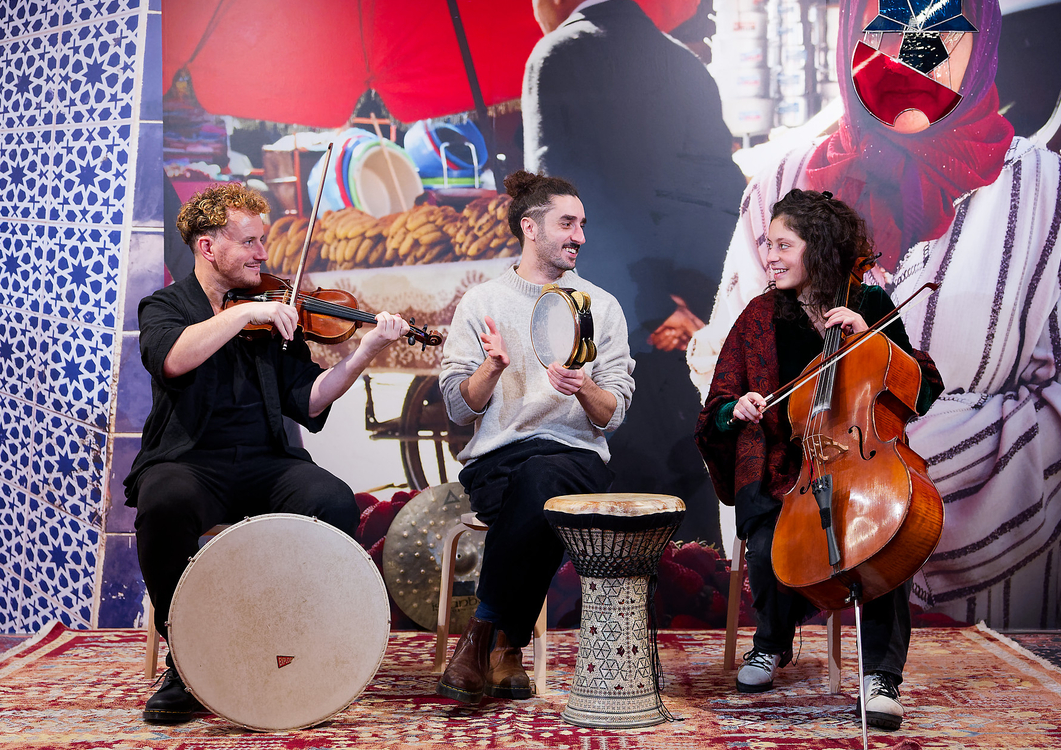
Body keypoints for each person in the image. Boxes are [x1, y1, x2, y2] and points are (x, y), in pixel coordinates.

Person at [687, 0, 1061, 628]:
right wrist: (820, 502)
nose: (916, 54)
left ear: (985, 42)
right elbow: (732, 381)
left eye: (946, 27)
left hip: (990, 600)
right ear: (848, 38)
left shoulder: (1048, 192)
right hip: (812, 559)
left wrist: (904, 487)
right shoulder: (779, 182)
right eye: (886, 27)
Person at [124, 183, 408, 723]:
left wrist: (365, 351)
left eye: (264, 241)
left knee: (332, 501)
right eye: (250, 242)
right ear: (209, 248)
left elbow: (308, 398)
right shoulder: (165, 306)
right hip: (189, 461)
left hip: (267, 461)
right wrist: (240, 315)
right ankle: (185, 657)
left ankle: (302, 640)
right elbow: (171, 361)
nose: (263, 253)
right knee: (163, 502)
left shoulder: (276, 309)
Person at [695, 189, 944, 729]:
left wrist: (876, 344)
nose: (771, 256)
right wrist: (735, 410)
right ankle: (773, 643)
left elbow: (923, 387)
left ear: (820, 247)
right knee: (765, 542)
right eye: (767, 245)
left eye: (784, 244)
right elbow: (714, 408)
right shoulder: (758, 317)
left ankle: (881, 677)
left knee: (884, 541)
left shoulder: (870, 307)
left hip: (860, 461)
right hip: (787, 467)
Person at [523, 0, 747, 546]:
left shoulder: (557, 55)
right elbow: (723, 195)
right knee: (694, 513)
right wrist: (698, 303)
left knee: (622, 521)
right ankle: (697, 626)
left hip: (622, 321)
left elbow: (561, 210)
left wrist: (650, 305)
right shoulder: (686, 65)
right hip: (697, 323)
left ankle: (630, 628)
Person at [436, 170, 635, 704]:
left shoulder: (601, 306)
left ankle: (480, 634)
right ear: (530, 227)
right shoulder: (481, 303)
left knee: (545, 479)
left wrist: (584, 387)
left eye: (583, 225)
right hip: (496, 464)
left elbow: (612, 415)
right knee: (538, 494)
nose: (580, 237)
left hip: (575, 457)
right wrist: (492, 367)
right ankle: (507, 648)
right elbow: (459, 407)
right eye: (567, 223)